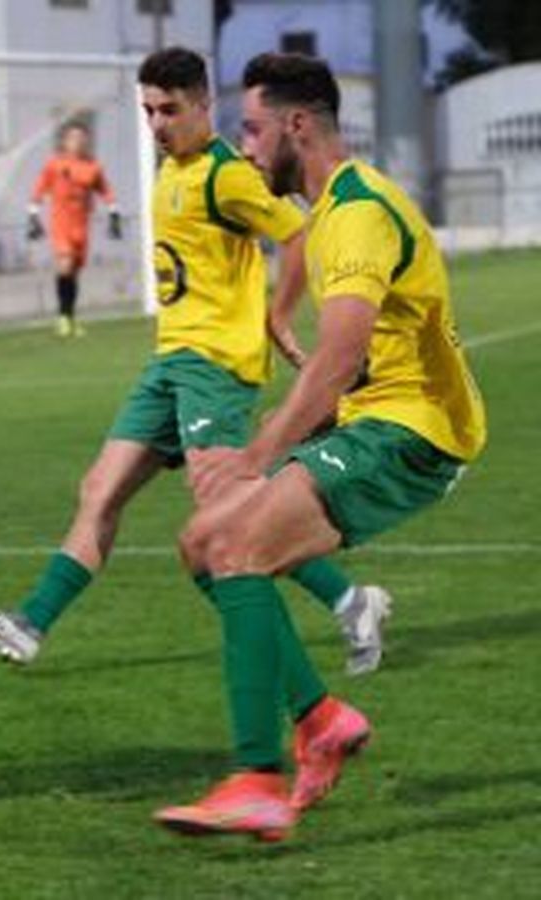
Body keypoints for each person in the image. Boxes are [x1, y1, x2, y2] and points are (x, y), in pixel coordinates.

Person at [0, 47, 390, 674]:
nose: (157, 124)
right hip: (170, 364)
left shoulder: (226, 175)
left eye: (171, 110)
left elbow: (296, 234)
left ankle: (350, 602)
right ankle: (28, 626)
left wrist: (278, 316)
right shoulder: (170, 171)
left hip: (215, 368)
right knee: (98, 490)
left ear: (204, 105)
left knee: (229, 517)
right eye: (149, 111)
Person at [154, 52, 486, 840]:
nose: (244, 148)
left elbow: (340, 353)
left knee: (233, 541)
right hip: (376, 420)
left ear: (297, 126)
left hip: (416, 433)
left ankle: (257, 780)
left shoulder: (360, 211)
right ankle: (321, 718)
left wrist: (259, 451)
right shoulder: (333, 210)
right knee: (202, 543)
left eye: (253, 129)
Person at [26, 121, 121, 337]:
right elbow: (39, 188)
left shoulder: (92, 167)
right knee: (65, 265)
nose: (78, 142)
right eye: (73, 138)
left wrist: (114, 212)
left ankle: (70, 317)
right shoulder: (54, 165)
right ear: (65, 141)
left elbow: (105, 190)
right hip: (61, 225)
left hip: (82, 227)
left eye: (81, 138)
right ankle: (62, 317)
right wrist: (33, 214)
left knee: (74, 273)